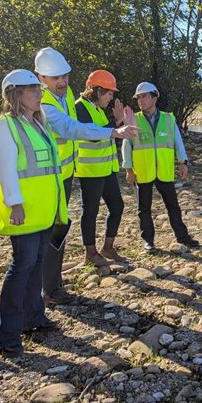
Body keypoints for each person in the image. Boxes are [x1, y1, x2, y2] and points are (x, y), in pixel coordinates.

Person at [35, 47, 137, 304]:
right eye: (54, 77)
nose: (62, 82)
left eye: (64, 76)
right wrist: (114, 130)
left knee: (60, 227)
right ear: (41, 79)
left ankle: (52, 284)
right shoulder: (44, 104)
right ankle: (48, 289)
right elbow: (72, 129)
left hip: (66, 174)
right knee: (52, 229)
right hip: (49, 177)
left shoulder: (66, 94)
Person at [0, 69, 68, 358]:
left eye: (39, 89)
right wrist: (15, 203)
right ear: (15, 94)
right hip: (24, 211)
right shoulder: (5, 126)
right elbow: (8, 169)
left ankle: (33, 318)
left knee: (36, 263)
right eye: (32, 89)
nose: (39, 94)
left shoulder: (39, 123)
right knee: (22, 266)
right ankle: (7, 335)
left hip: (44, 210)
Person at [122, 82, 199, 251]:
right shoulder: (134, 119)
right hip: (143, 171)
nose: (140, 100)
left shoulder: (168, 118)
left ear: (154, 98)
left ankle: (182, 236)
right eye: (138, 97)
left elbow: (178, 142)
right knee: (144, 209)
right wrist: (128, 169)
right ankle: (148, 240)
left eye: (144, 96)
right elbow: (126, 145)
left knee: (173, 206)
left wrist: (183, 162)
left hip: (164, 170)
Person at [75, 70, 128, 266]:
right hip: (90, 171)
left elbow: (106, 131)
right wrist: (116, 126)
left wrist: (117, 121)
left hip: (105, 169)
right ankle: (90, 253)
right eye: (109, 93)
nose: (111, 97)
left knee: (117, 206)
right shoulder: (80, 107)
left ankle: (107, 247)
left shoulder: (96, 108)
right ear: (97, 90)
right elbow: (94, 134)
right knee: (90, 211)